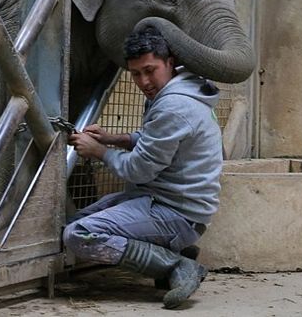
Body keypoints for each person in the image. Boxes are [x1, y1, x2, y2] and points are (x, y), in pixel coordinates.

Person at [65, 25, 222, 309]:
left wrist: (99, 151)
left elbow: (139, 170)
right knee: (76, 221)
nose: (144, 81)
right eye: (136, 74)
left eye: (150, 70)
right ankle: (172, 249)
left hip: (175, 212)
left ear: (169, 63)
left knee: (79, 235)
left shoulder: (173, 105)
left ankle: (175, 265)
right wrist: (114, 139)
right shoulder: (181, 88)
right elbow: (155, 141)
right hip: (165, 203)